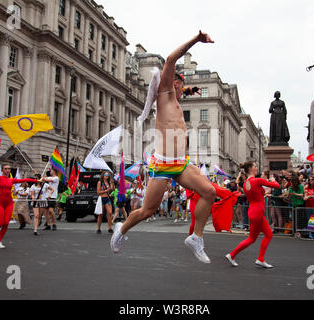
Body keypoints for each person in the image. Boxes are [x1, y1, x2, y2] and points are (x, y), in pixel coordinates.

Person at [111, 31, 216, 264]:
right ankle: (121, 229)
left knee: (210, 192)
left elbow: (181, 90)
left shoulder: (176, 98)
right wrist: (196, 40)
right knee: (147, 211)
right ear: (174, 84)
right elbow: (170, 60)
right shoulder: (166, 94)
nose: (183, 92)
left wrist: (189, 91)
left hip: (180, 163)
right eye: (183, 88)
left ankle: (195, 238)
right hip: (163, 163)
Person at [225, 161, 280, 268]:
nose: (256, 167)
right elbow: (276, 186)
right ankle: (235, 255)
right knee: (258, 237)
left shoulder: (246, 183)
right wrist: (273, 180)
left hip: (253, 210)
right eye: (255, 166)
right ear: (250, 169)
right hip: (258, 211)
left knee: (258, 237)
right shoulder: (257, 180)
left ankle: (257, 258)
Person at [0, 153, 38, 248]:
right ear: (2, 170)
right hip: (0, 202)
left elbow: (25, 179)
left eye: (9, 169)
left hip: (9, 203)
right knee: (0, 223)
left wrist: (36, 180)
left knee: (6, 223)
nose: (8, 170)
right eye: (6, 169)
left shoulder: (11, 180)